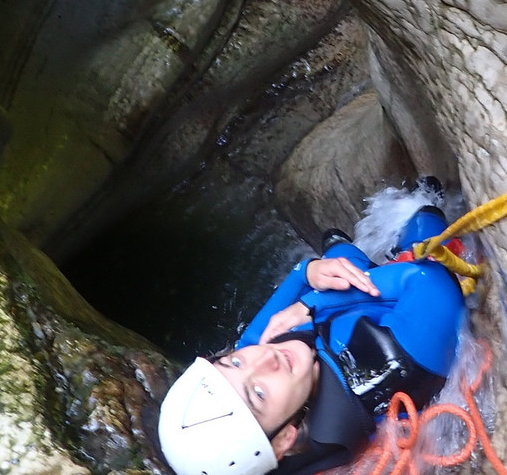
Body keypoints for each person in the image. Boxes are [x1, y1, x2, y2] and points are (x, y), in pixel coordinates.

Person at [157, 184, 468, 475]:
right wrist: (312, 304)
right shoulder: (387, 365)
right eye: (258, 394)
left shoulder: (256, 355)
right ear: (283, 442)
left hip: (354, 315)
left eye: (232, 363)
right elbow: (429, 284)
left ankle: (343, 253)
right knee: (424, 223)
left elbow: (298, 276)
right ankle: (425, 213)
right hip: (413, 307)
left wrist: (310, 271)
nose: (265, 359)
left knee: (334, 251)